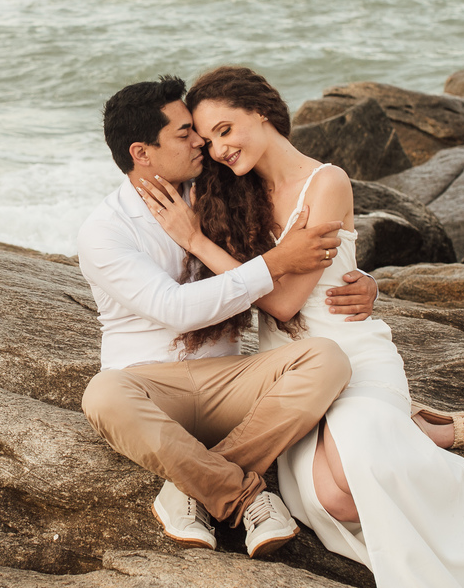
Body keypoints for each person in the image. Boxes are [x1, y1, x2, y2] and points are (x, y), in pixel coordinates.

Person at [136, 65, 464, 587]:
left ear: (261, 112)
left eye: (225, 130)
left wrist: (196, 242)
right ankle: (420, 430)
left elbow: (284, 303)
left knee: (351, 481)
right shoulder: (228, 194)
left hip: (349, 354)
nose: (218, 150)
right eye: (208, 139)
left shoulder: (325, 182)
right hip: (289, 374)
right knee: (333, 501)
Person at [77, 75, 380, 557]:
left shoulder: (219, 193)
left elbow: (296, 237)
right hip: (151, 390)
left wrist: (360, 277)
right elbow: (175, 310)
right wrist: (277, 263)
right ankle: (242, 497)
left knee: (327, 359)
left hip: (229, 381)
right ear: (141, 152)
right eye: (184, 133)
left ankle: (188, 487)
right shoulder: (105, 232)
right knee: (103, 395)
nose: (200, 141)